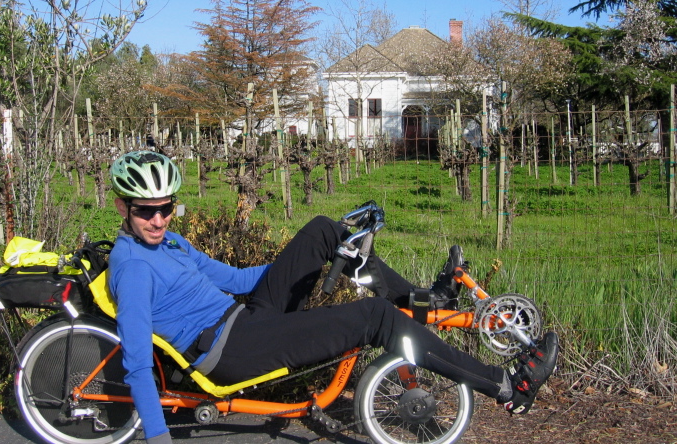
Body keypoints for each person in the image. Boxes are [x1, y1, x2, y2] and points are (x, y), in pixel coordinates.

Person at [108, 151, 559, 444]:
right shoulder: (132, 270)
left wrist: (318, 259)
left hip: (244, 315)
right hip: (230, 349)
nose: (159, 219)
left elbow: (236, 278)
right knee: (374, 316)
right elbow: (135, 364)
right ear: (121, 207)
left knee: (326, 230)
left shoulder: (170, 243)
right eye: (147, 211)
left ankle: (427, 298)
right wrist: (159, 439)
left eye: (167, 207)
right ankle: (508, 385)